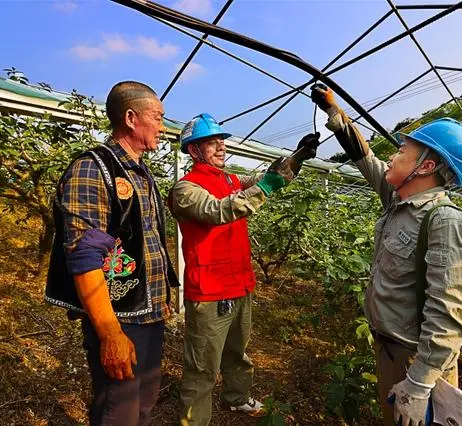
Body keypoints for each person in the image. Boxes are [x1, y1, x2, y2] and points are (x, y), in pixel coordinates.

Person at [310, 84, 462, 426]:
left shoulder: (444, 221)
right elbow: (365, 159)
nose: (391, 157)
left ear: (426, 166)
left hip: (417, 363)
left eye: (402, 152)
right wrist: (335, 113)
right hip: (390, 352)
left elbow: (449, 315)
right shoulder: (398, 202)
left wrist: (418, 384)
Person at [168, 113, 319, 426]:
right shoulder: (185, 189)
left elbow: (269, 180)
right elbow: (218, 211)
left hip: (239, 283)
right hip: (209, 290)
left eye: (222, 140)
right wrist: (265, 184)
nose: (221, 146)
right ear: (194, 150)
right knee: (202, 367)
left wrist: (298, 157)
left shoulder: (230, 180)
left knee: (237, 351)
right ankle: (194, 421)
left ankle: (236, 398)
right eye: (211, 142)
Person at [45, 81, 180, 426]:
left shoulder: (142, 173)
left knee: (144, 404)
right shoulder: (93, 168)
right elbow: (84, 256)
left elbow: (146, 241)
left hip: (149, 312)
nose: (163, 126)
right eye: (158, 116)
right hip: (120, 317)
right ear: (132, 118)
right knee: (118, 409)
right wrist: (110, 334)